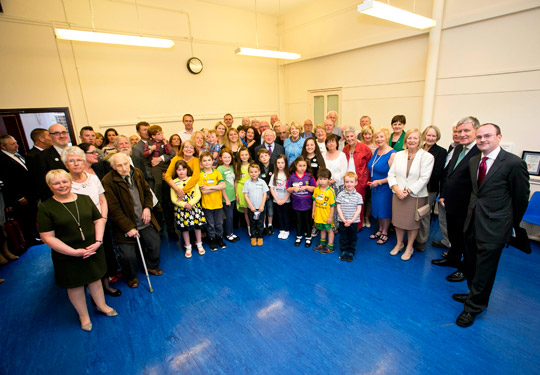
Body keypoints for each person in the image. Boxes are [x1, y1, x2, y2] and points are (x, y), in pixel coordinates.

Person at [454, 123, 529, 327]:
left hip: (495, 225)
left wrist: (509, 224)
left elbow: (520, 198)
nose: (482, 140)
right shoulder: (475, 161)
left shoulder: (513, 163)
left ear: (499, 137)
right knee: (471, 262)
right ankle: (474, 294)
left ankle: (474, 307)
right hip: (473, 221)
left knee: (485, 268)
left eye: (487, 136)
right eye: (479, 137)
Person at [37, 169, 116, 331]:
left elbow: (98, 220)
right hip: (67, 255)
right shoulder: (46, 207)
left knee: (95, 279)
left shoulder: (85, 199)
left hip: (93, 248)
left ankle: (102, 306)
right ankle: (83, 315)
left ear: (70, 182)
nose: (62, 185)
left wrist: (98, 241)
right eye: (56, 183)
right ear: (50, 186)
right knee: (75, 285)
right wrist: (73, 252)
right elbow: (47, 237)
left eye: (64, 181)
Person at [62, 146, 120, 297]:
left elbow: (102, 200)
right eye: (72, 161)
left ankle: (106, 286)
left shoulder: (93, 178)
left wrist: (103, 218)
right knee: (88, 258)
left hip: (101, 222)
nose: (76, 164)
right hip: (81, 226)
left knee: (105, 255)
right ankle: (92, 292)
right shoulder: (65, 183)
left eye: (79, 160)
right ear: (66, 164)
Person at [102, 152, 163, 289]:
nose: (124, 168)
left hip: (144, 219)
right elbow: (113, 209)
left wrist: (147, 208)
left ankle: (151, 267)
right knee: (128, 256)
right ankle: (131, 277)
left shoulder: (137, 173)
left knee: (155, 243)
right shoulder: (108, 181)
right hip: (125, 225)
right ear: (113, 167)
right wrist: (128, 227)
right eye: (119, 165)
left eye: (125, 163)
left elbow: (148, 193)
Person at [431, 117, 481, 278]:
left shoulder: (479, 152)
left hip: (467, 205)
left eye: (466, 131)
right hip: (450, 202)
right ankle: (452, 259)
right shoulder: (459, 148)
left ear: (476, 131)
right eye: (459, 131)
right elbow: (449, 173)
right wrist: (443, 195)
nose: (462, 134)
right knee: (454, 235)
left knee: (466, 239)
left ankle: (464, 270)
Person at [387, 129, 434, 261]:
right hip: (398, 194)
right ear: (405, 140)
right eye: (409, 138)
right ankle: (399, 243)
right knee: (398, 221)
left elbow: (424, 178)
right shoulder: (399, 155)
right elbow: (391, 174)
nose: (411, 141)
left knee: (413, 223)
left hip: (415, 196)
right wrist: (396, 189)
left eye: (415, 138)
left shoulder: (427, 157)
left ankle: (409, 248)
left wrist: (408, 191)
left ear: (420, 140)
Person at [0, 135, 39, 248]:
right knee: (24, 218)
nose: (17, 145)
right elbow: (8, 182)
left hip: (29, 193)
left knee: (31, 216)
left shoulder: (17, 155)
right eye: (12, 144)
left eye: (16, 142)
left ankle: (33, 235)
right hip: (20, 197)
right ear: (3, 146)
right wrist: (19, 197)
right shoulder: (2, 160)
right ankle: (28, 239)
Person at [415, 126, 447, 252]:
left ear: (437, 137)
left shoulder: (441, 152)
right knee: (414, 214)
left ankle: (421, 241)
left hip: (429, 188)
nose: (430, 138)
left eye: (433, 136)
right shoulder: (418, 149)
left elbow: (437, 172)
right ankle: (414, 237)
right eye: (428, 135)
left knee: (424, 214)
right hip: (415, 187)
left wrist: (421, 181)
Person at [170, 160, 206, 257]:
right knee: (184, 229)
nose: (181, 172)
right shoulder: (174, 182)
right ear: (176, 171)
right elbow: (173, 198)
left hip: (194, 207)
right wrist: (184, 204)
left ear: (187, 169)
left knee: (197, 227)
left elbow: (198, 194)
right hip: (181, 209)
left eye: (183, 169)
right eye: (179, 170)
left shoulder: (192, 179)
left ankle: (199, 244)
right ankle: (188, 246)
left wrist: (190, 203)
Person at [432, 125, 460, 250]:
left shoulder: (470, 151)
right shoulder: (452, 147)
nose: (457, 134)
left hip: (456, 193)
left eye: (461, 131)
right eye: (455, 131)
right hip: (444, 189)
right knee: (443, 219)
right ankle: (447, 241)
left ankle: (454, 247)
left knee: (455, 223)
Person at [367, 128, 396, 245]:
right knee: (378, 209)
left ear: (387, 138)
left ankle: (385, 232)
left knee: (385, 210)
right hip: (374, 186)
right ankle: (380, 229)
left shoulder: (392, 154)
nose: (379, 139)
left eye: (381, 137)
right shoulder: (376, 151)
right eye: (377, 137)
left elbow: (393, 176)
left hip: (385, 187)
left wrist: (379, 182)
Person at [343, 127, 372, 230]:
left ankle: (358, 226)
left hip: (359, 180)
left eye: (352, 136)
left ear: (356, 136)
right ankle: (348, 223)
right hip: (347, 180)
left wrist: (366, 179)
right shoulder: (345, 148)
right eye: (347, 136)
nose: (350, 138)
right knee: (348, 203)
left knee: (358, 203)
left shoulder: (364, 148)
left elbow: (370, 165)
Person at [34, 123, 70, 201]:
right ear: (50, 136)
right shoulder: (42, 156)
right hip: (59, 199)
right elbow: (42, 184)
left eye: (64, 132)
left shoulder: (77, 152)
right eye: (57, 133)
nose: (61, 136)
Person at [199, 151, 227, 251]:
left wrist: (209, 187)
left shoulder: (217, 172)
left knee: (219, 223)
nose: (207, 162)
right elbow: (204, 191)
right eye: (204, 161)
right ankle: (212, 239)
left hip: (218, 203)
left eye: (209, 160)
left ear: (213, 161)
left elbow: (223, 185)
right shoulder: (200, 175)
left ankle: (219, 238)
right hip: (207, 205)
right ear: (201, 163)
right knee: (210, 224)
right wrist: (217, 187)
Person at [287, 156, 316, 247]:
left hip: (307, 204)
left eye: (304, 165)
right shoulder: (292, 177)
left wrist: (307, 187)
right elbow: (288, 189)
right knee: (298, 221)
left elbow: (315, 188)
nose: (302, 167)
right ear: (296, 166)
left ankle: (308, 237)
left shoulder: (309, 176)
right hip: (296, 204)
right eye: (300, 165)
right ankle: (298, 236)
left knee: (308, 222)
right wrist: (293, 189)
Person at [165, 140, 201, 211]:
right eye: (186, 147)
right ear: (182, 149)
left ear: (194, 151)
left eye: (191, 147)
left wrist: (182, 192)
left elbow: (195, 177)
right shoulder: (176, 158)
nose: (188, 149)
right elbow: (167, 176)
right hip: (176, 190)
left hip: (191, 192)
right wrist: (177, 190)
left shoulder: (196, 160)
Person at [143, 125, 175, 203]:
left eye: (162, 133)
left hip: (165, 164)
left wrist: (166, 144)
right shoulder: (149, 143)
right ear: (153, 136)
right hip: (155, 166)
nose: (161, 135)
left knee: (169, 182)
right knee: (158, 183)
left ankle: (171, 201)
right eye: (159, 134)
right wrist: (151, 150)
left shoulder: (164, 142)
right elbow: (145, 155)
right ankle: (158, 202)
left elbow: (171, 153)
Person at [336, 172, 364, 262]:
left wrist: (351, 220)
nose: (349, 184)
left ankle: (351, 251)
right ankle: (343, 251)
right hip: (342, 220)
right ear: (344, 183)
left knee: (352, 237)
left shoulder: (358, 196)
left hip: (354, 221)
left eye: (351, 182)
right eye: (347, 182)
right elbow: (338, 208)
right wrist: (344, 220)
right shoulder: (340, 195)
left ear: (356, 183)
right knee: (343, 237)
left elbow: (358, 210)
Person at [323, 134, 348, 231]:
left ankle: (336, 226)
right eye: (329, 142)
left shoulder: (342, 155)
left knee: (337, 206)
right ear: (326, 144)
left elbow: (343, 170)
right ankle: (327, 224)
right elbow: (322, 168)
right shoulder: (323, 154)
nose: (331, 144)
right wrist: (327, 181)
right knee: (327, 206)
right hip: (325, 185)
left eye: (333, 141)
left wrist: (334, 180)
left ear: (337, 143)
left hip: (338, 185)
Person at [243, 163, 269, 246]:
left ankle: (260, 236)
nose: (253, 174)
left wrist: (262, 205)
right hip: (251, 208)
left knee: (260, 223)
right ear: (248, 173)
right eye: (251, 172)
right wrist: (250, 206)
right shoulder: (247, 183)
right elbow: (246, 195)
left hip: (260, 207)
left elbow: (265, 194)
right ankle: (253, 237)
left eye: (255, 172)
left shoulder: (262, 182)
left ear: (259, 172)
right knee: (252, 223)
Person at [217, 148, 239, 243]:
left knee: (231, 216)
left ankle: (230, 232)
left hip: (232, 196)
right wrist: (226, 198)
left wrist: (236, 194)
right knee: (228, 216)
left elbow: (235, 182)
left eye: (228, 157)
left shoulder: (232, 167)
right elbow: (220, 186)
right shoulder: (219, 169)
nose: (227, 159)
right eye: (224, 157)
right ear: (221, 158)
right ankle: (228, 234)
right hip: (225, 197)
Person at [312, 168, 336, 254]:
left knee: (329, 230)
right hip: (318, 215)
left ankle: (330, 246)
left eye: (324, 179)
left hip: (327, 216)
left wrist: (330, 217)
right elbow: (314, 201)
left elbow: (333, 206)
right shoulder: (316, 189)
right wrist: (313, 212)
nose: (322, 181)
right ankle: (322, 244)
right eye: (320, 179)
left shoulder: (330, 191)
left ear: (329, 180)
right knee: (321, 229)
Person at [269, 154, 291, 240]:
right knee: (279, 215)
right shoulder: (274, 175)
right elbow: (271, 187)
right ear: (276, 164)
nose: (280, 164)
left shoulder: (288, 175)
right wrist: (276, 199)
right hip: (277, 200)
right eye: (278, 163)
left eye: (282, 162)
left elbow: (289, 189)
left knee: (286, 215)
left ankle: (286, 230)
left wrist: (285, 199)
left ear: (285, 163)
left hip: (286, 200)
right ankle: (281, 229)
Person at [234, 147, 253, 234]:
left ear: (249, 155)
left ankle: (255, 226)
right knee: (246, 211)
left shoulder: (252, 165)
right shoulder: (238, 166)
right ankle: (249, 227)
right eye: (242, 155)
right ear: (239, 156)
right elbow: (236, 181)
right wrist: (236, 194)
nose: (244, 156)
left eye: (246, 154)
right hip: (241, 190)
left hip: (252, 190)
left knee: (253, 209)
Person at [256, 148, 274, 235]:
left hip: (271, 192)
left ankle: (270, 225)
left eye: (266, 156)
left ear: (269, 156)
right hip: (261, 193)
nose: (264, 158)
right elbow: (258, 181)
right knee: (263, 210)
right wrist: (264, 193)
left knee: (270, 209)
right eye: (261, 157)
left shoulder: (273, 167)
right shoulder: (258, 168)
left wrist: (269, 193)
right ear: (259, 159)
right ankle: (263, 225)